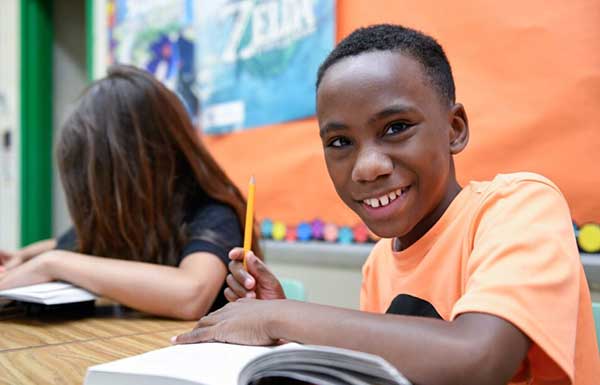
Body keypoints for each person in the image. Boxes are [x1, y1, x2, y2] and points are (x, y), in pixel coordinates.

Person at [173, 25, 600, 384]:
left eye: (396, 128)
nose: (367, 167)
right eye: (340, 142)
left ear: (454, 129)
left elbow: (479, 357)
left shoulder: (520, 206)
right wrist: (290, 338)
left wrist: (283, 317)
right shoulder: (380, 263)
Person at [0, 65, 262, 320]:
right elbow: (70, 240)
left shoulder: (214, 213)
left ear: (135, 168)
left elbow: (190, 294)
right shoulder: (133, 217)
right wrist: (23, 257)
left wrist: (51, 263)